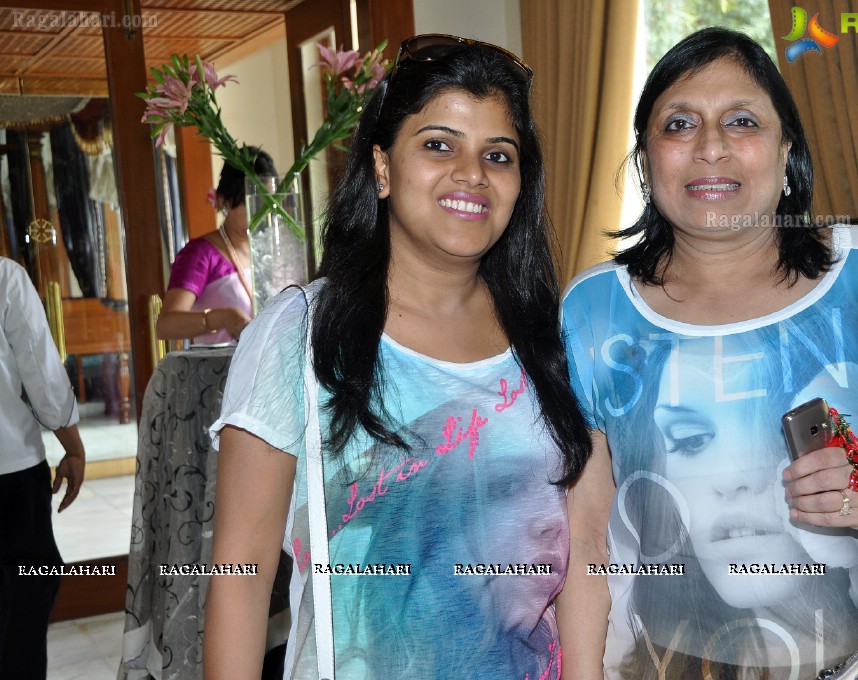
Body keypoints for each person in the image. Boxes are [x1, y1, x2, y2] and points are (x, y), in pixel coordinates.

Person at [557, 27, 858, 679]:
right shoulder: (593, 310)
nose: (710, 147)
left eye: (741, 121)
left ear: (786, 153)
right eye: (679, 123)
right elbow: (583, 536)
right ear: (646, 160)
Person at [204, 35, 591, 679]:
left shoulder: (552, 341)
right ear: (382, 168)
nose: (471, 174)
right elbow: (241, 574)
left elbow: (578, 558)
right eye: (438, 145)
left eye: (498, 155)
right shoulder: (300, 334)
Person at [0, 256, 86, 679]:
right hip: (9, 470)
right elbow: (41, 371)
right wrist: (72, 446)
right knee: (23, 599)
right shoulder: (4, 277)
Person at [156, 147, 277, 344]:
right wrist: (222, 318)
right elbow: (165, 325)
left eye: (267, 204)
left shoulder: (270, 249)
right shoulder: (202, 254)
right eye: (251, 204)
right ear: (224, 201)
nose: (260, 213)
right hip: (223, 371)